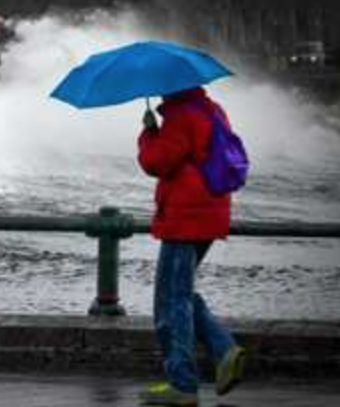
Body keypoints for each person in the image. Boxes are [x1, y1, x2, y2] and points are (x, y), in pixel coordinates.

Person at [136, 86, 246, 406]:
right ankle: (223, 351)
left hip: (186, 217)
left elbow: (156, 162)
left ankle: (183, 384)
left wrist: (148, 133)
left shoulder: (180, 116)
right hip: (210, 211)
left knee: (171, 301)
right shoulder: (212, 110)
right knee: (178, 293)